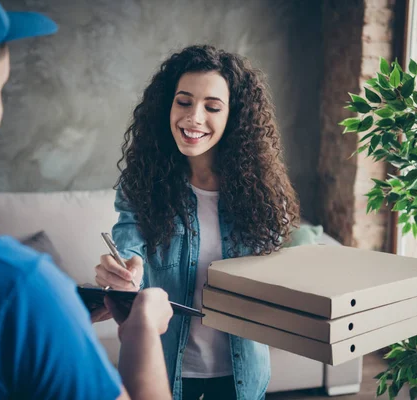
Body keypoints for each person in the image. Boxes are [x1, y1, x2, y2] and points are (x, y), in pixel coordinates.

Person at [0, 1, 173, 399]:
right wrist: (142, 333)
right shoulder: (17, 288)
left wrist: (54, 320)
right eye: (0, 89)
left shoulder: (17, 299)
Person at [95, 45, 300, 400]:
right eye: (184, 102)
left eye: (212, 107)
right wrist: (123, 271)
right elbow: (129, 242)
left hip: (241, 374)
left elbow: (276, 273)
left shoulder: (264, 192)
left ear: (233, 116)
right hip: (168, 371)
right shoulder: (142, 183)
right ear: (167, 106)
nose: (194, 118)